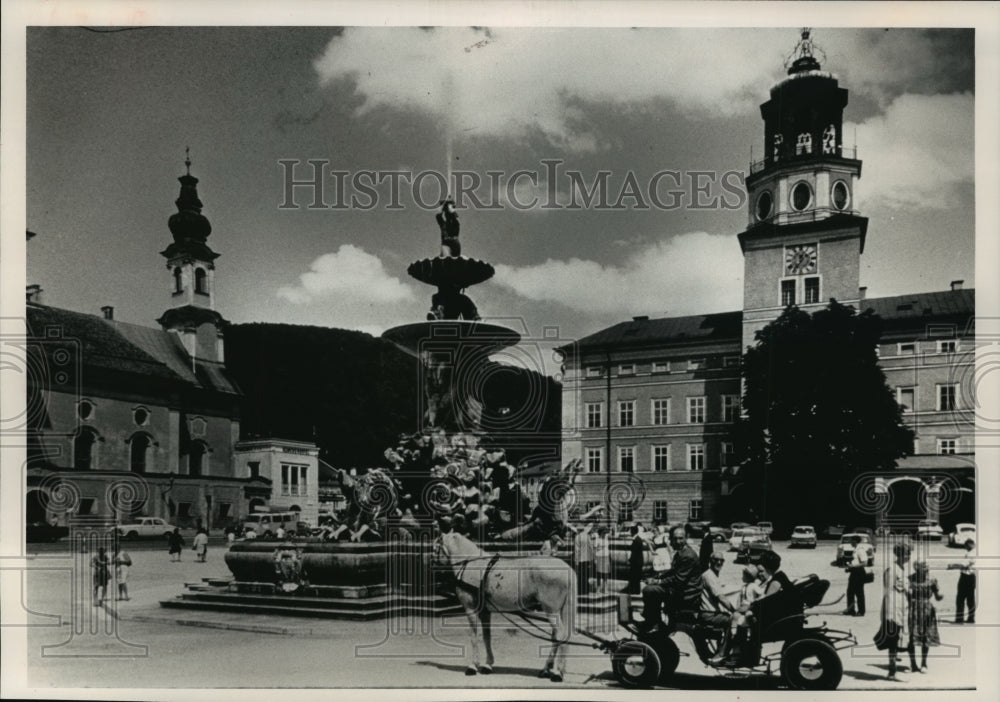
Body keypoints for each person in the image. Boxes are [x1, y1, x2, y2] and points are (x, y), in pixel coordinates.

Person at [639, 525, 701, 632]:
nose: (677, 541)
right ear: (671, 539)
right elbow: (672, 572)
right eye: (675, 538)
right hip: (681, 589)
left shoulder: (688, 555)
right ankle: (653, 620)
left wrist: (657, 582)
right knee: (652, 587)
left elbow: (678, 580)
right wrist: (657, 577)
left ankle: (654, 623)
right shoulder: (681, 553)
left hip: (687, 593)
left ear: (686, 538)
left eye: (680, 538)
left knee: (649, 590)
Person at [875, 542, 912, 681]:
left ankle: (893, 669)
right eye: (906, 554)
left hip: (902, 609)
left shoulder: (902, 569)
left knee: (897, 640)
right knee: (892, 641)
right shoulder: (892, 570)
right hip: (893, 609)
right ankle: (891, 672)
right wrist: (889, 615)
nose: (908, 556)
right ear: (899, 554)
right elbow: (888, 592)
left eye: (909, 554)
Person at [699, 554, 737, 663]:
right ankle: (722, 653)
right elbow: (721, 598)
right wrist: (735, 611)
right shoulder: (709, 576)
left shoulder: (713, 575)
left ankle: (723, 649)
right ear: (711, 561)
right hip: (708, 614)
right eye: (716, 560)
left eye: (721, 561)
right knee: (732, 620)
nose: (719, 563)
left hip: (711, 612)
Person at [907, 560, 943, 673]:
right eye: (924, 568)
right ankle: (913, 664)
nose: (926, 570)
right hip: (913, 609)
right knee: (911, 637)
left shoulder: (932, 579)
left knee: (926, 637)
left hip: (927, 609)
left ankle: (924, 663)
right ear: (917, 568)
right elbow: (905, 595)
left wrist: (940, 597)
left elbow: (937, 596)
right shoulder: (909, 579)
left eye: (927, 568)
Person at [948, 540, 976, 624]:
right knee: (970, 599)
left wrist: (952, 566)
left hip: (966, 577)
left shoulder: (970, 553)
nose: (965, 548)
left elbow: (963, 565)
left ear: (968, 545)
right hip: (972, 577)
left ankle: (959, 619)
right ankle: (971, 618)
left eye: (966, 546)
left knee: (960, 598)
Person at [844, 535, 869, 616]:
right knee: (850, 592)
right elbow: (856, 562)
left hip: (859, 573)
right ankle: (850, 610)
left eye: (851, 541)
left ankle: (861, 611)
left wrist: (853, 566)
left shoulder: (860, 550)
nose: (850, 542)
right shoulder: (856, 549)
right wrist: (850, 568)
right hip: (854, 572)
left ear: (855, 541)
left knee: (859, 593)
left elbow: (864, 563)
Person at [573, 522, 595, 595]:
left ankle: (581, 590)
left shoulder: (577, 537)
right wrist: (592, 558)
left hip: (580, 559)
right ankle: (586, 590)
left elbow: (577, 550)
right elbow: (591, 548)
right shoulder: (587, 536)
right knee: (586, 574)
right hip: (587, 558)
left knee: (580, 575)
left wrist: (576, 561)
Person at [627, 525, 646, 595]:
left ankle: (635, 591)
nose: (629, 533)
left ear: (633, 532)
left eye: (630, 531)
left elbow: (635, 552)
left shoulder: (637, 540)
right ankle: (635, 590)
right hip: (637, 561)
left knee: (635, 577)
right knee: (635, 577)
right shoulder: (637, 539)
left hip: (636, 562)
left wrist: (630, 559)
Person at [594, 527, 611, 594]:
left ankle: (605, 588)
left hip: (606, 556)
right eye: (604, 533)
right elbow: (594, 549)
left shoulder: (606, 540)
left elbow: (607, 549)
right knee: (599, 573)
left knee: (605, 573)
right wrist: (595, 558)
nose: (605, 534)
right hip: (599, 556)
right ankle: (598, 588)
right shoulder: (597, 540)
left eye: (605, 533)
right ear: (601, 533)